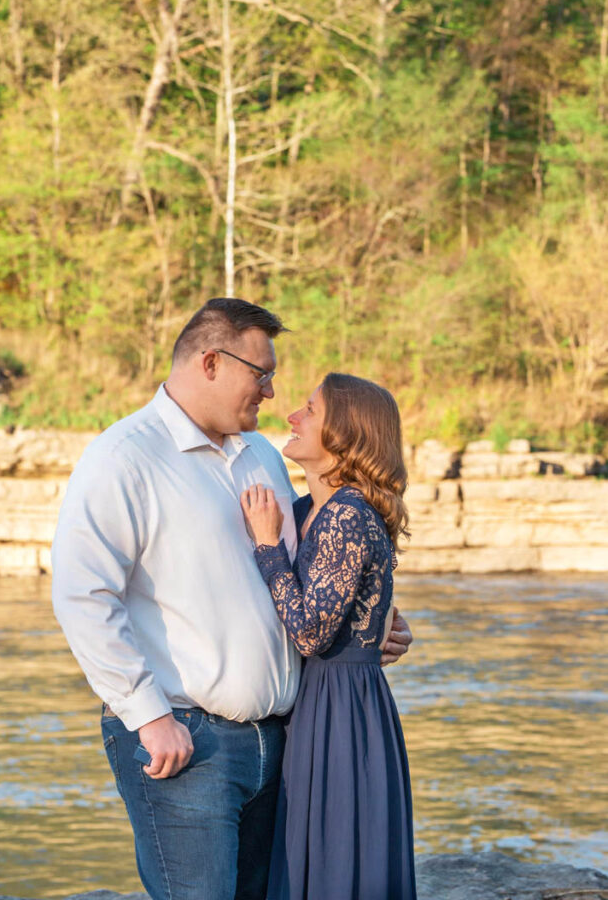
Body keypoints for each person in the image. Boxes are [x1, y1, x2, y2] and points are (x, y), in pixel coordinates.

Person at [51, 298, 413, 900]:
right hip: (189, 743)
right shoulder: (124, 457)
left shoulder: (263, 457)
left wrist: (372, 622)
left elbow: (311, 574)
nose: (271, 392)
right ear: (212, 362)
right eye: (261, 373)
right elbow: (83, 593)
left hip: (286, 741)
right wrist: (151, 717)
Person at [240, 373, 416, 900]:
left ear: (345, 435)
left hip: (340, 709)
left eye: (310, 410)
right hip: (322, 701)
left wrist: (269, 546)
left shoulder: (346, 514)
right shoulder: (308, 510)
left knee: (335, 856)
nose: (292, 415)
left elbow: (312, 633)